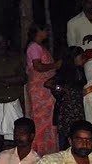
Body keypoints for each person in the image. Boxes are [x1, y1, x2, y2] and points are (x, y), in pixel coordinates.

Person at [26, 23, 61, 156]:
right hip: (39, 90)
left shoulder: (39, 47)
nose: (47, 32)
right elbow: (38, 67)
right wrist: (55, 65)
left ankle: (48, 151)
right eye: (45, 29)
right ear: (38, 31)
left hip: (44, 90)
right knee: (41, 121)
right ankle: (41, 151)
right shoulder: (34, 47)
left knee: (48, 120)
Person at [45, 46, 86, 150]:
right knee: (65, 137)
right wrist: (62, 89)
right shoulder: (65, 72)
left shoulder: (82, 71)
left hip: (78, 109)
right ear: (74, 58)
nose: (83, 59)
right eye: (81, 56)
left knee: (78, 135)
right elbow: (48, 83)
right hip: (67, 110)